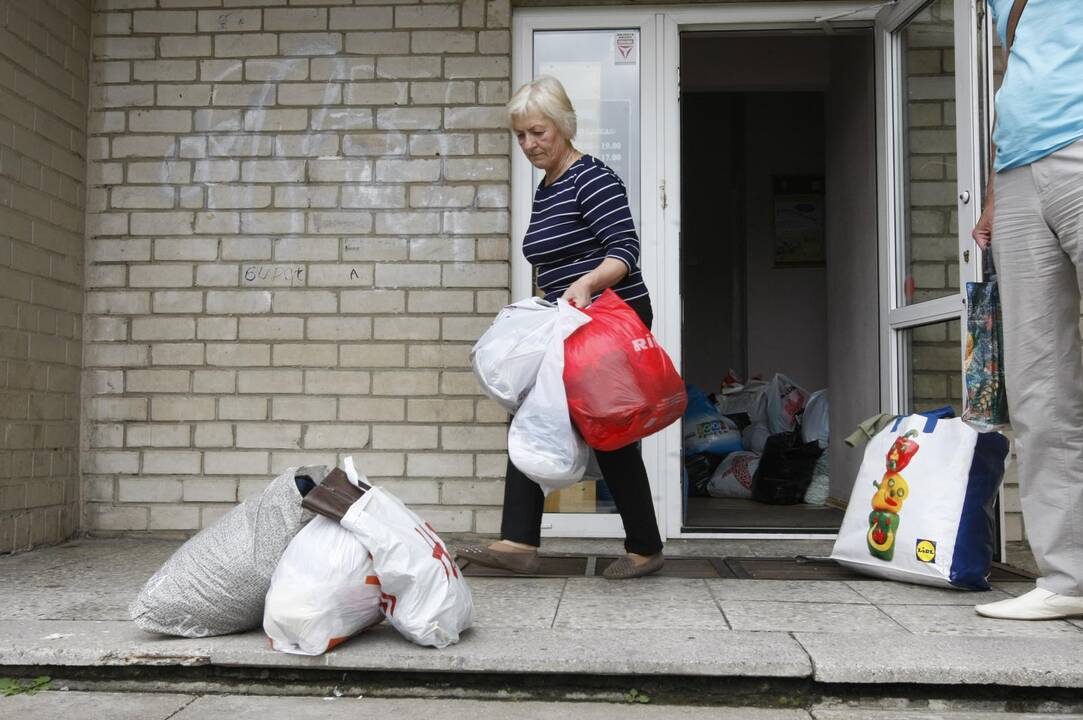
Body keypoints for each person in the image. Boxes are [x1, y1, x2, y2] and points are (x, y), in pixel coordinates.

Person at [457, 75, 664, 579]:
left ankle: (643, 548)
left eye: (537, 133)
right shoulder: (548, 187)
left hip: (605, 319)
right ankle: (521, 541)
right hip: (567, 319)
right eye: (521, 136)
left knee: (608, 431)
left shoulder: (591, 178)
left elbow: (624, 252)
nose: (529, 145)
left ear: (563, 127)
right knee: (531, 414)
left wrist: (586, 283)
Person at [972, 0, 1083, 620]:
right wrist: (994, 189)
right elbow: (1019, 76)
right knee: (1039, 386)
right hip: (1017, 172)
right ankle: (1067, 581)